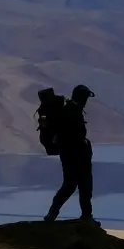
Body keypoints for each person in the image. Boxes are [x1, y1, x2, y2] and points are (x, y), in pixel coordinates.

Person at [39, 83, 95, 223]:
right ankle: (81, 215)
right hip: (76, 154)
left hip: (69, 153)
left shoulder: (70, 109)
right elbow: (72, 134)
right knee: (79, 185)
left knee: (77, 185)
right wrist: (82, 143)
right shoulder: (71, 111)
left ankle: (81, 215)